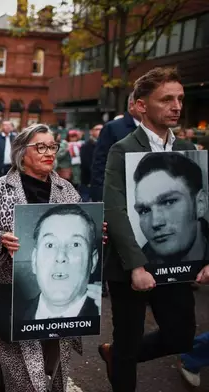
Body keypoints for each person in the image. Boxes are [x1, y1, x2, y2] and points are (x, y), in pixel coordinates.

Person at [99, 67, 198, 392]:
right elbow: (114, 208)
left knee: (181, 336)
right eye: (166, 99)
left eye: (180, 99)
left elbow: (202, 206)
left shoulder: (188, 148)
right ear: (141, 106)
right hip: (132, 266)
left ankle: (116, 355)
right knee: (128, 340)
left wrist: (206, 258)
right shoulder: (123, 148)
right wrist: (137, 266)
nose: (176, 106)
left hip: (176, 262)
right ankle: (121, 357)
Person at [0, 123, 84, 392]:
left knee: (49, 359)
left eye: (52, 146)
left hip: (58, 292)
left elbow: (81, 230)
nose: (49, 153)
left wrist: (92, 234)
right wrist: (0, 239)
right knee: (24, 370)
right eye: (40, 147)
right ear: (22, 153)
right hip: (13, 289)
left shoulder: (65, 189)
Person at [15, 204, 101, 322]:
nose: (61, 257)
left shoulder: (103, 317)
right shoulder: (12, 318)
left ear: (94, 261)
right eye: (50, 245)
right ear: (34, 260)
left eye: (75, 244)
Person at [132, 152, 208, 264]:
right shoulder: (135, 269)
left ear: (201, 204)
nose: (155, 223)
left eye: (168, 202)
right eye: (144, 210)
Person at [90, 93, 141, 202]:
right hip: (119, 197)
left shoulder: (157, 129)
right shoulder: (113, 128)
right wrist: (100, 197)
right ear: (132, 105)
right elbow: (100, 164)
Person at [79, 124, 102, 202]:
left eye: (102, 129)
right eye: (97, 129)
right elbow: (86, 164)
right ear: (91, 132)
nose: (100, 131)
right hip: (88, 181)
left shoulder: (106, 145)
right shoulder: (86, 146)